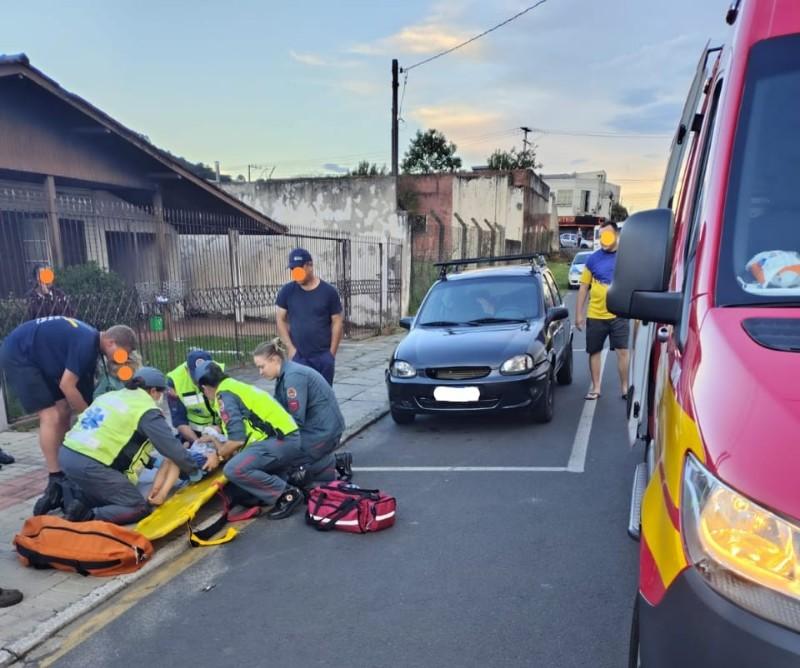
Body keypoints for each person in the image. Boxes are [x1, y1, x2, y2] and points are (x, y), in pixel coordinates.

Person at [0, 316, 138, 515]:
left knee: (64, 408)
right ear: (110, 342)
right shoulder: (85, 344)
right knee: (51, 415)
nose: (122, 358)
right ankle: (55, 476)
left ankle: (67, 461)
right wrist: (90, 419)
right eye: (123, 353)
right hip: (19, 355)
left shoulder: (91, 343)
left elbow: (82, 393)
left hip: (39, 356)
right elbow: (67, 385)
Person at [58, 367, 204, 523]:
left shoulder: (110, 396)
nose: (160, 398)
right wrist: (194, 468)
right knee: (136, 506)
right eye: (160, 394)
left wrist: (155, 462)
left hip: (67, 453)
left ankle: (79, 504)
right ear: (153, 391)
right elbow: (171, 448)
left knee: (113, 492)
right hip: (90, 463)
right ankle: (88, 518)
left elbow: (123, 443)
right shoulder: (145, 409)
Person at [193, 360, 305, 520]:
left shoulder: (224, 396)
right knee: (243, 491)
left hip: (280, 441)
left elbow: (236, 440)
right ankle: (289, 479)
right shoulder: (233, 386)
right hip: (285, 438)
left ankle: (287, 494)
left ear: (204, 388)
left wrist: (216, 456)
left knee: (233, 470)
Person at [252, 338, 351, 486]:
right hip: (317, 429)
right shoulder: (285, 375)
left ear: (274, 360)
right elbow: (278, 410)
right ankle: (328, 463)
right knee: (276, 451)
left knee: (280, 457)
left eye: (262, 366)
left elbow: (294, 420)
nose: (260, 372)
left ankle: (331, 463)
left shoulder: (293, 378)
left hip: (323, 433)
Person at [575, 220, 629, 400]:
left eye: (608, 235)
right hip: (595, 314)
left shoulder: (625, 257)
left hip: (619, 314)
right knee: (594, 351)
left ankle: (624, 388)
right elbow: (583, 287)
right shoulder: (593, 259)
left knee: (622, 350)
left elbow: (633, 282)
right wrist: (579, 314)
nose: (604, 240)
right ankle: (596, 388)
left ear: (616, 236)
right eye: (602, 236)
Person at [276, 248, 343, 385]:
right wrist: (290, 348)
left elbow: (337, 322)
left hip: (323, 357)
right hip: (298, 357)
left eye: (299, 269)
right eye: (293, 270)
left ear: (310, 266)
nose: (295, 273)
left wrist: (331, 354)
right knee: (299, 398)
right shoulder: (287, 291)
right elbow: (280, 319)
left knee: (322, 398)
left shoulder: (328, 292)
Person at [166, 350, 225, 443]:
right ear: (187, 369)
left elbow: (232, 410)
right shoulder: (175, 382)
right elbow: (179, 421)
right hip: (192, 433)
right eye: (196, 377)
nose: (201, 383)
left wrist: (219, 428)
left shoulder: (221, 374)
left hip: (221, 428)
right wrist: (198, 443)